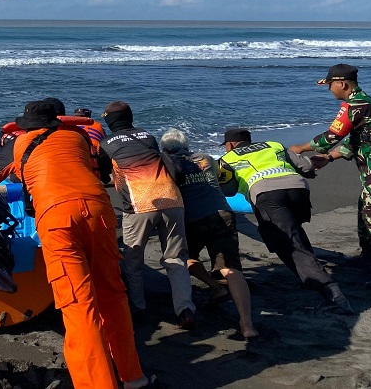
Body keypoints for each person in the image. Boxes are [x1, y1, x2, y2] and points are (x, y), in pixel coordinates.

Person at [0, 101, 159, 389]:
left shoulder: (18, 144)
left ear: (25, 126)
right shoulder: (77, 137)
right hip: (99, 212)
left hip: (58, 218)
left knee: (78, 305)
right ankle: (133, 377)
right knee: (112, 295)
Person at [289, 63, 371, 290]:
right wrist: (329, 158)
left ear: (342, 84)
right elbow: (359, 140)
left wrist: (301, 148)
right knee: (365, 214)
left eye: (330, 85)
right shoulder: (363, 104)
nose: (329, 90)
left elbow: (332, 135)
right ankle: (369, 258)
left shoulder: (357, 105)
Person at [219, 128, 352, 312]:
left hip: (268, 196)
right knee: (294, 234)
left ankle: (333, 294)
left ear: (230, 145)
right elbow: (306, 167)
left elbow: (228, 190)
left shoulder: (228, 158)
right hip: (299, 191)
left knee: (287, 243)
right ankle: (307, 276)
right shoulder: (274, 145)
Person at [97, 101, 196, 329]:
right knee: (175, 258)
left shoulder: (105, 143)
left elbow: (103, 174)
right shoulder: (147, 136)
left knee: (132, 260)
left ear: (109, 122)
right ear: (130, 117)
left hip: (139, 205)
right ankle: (185, 309)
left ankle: (138, 307)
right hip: (172, 200)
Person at [159, 129, 258, 339]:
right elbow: (223, 183)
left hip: (192, 219)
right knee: (230, 268)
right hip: (222, 214)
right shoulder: (206, 158)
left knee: (183, 259)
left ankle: (215, 287)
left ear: (165, 149)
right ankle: (247, 324)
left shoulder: (166, 164)